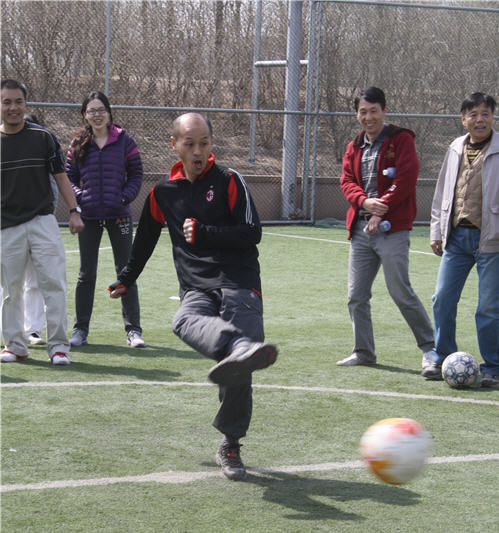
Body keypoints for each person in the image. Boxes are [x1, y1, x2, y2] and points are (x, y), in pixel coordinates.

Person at [108, 112, 277, 480]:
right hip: (197, 288)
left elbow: (252, 232)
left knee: (240, 366)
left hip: (239, 282)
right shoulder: (162, 193)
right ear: (175, 146)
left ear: (212, 144)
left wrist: (205, 232)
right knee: (184, 320)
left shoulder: (229, 180)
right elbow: (145, 240)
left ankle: (230, 443)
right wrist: (126, 279)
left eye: (204, 143)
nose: (198, 151)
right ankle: (236, 345)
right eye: (190, 144)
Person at [336, 86, 434, 370]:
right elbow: (346, 181)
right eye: (363, 112)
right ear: (357, 115)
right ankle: (363, 352)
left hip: (392, 230)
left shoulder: (401, 139)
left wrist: (381, 210)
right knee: (356, 296)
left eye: (374, 111)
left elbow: (406, 178)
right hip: (361, 232)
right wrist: (364, 202)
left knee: (400, 291)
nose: (369, 117)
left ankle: (431, 348)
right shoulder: (354, 146)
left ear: (384, 111)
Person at [1, 79, 84, 365]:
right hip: (6, 226)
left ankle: (59, 347)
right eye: (6, 102)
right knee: (10, 291)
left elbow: (61, 177)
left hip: (42, 221)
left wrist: (74, 211)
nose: (13, 107)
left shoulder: (43, 137)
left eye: (18, 102)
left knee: (54, 285)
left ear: (26, 104)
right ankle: (15, 346)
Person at [427, 93, 499, 387]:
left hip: (491, 240)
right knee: (442, 298)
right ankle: (441, 355)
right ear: (463, 119)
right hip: (456, 238)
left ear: (493, 117)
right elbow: (441, 192)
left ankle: (493, 366)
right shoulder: (455, 147)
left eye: (485, 114)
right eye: (473, 114)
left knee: (489, 308)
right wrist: (436, 231)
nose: (480, 120)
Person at [66, 91, 146, 348]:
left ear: (109, 113)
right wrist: (81, 197)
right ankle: (80, 330)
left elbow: (136, 173)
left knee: (126, 272)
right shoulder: (78, 143)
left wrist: (124, 197)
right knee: (86, 274)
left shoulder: (124, 140)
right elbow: (68, 177)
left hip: (119, 216)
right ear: (84, 115)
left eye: (101, 109)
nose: (97, 115)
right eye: (91, 111)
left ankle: (133, 331)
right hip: (88, 217)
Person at [23, 113, 59, 346]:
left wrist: (47, 214)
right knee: (7, 282)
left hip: (38, 224)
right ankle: (8, 329)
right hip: (8, 225)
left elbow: (55, 186)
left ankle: (32, 329)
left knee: (35, 280)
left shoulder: (45, 156)